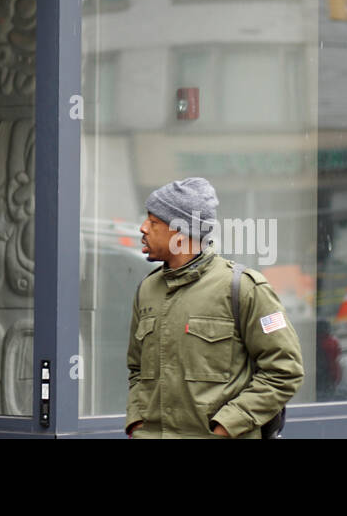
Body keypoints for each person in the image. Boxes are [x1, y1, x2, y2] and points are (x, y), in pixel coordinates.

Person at [125, 177, 303, 438]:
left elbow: (284, 372)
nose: (142, 228)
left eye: (153, 222)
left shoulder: (243, 288)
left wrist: (226, 427)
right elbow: (136, 370)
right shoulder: (147, 290)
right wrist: (137, 421)